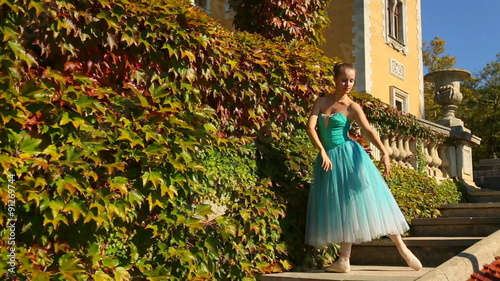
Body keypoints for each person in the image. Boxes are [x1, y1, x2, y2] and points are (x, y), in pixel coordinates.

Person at [304, 62, 422, 273]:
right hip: (328, 160)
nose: (348, 84)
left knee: (369, 200)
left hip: (350, 157)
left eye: (351, 80)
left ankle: (402, 248)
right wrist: (321, 150)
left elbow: (368, 130)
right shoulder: (321, 102)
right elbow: (310, 127)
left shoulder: (352, 107)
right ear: (335, 79)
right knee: (342, 207)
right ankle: (343, 260)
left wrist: (385, 152)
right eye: (344, 80)